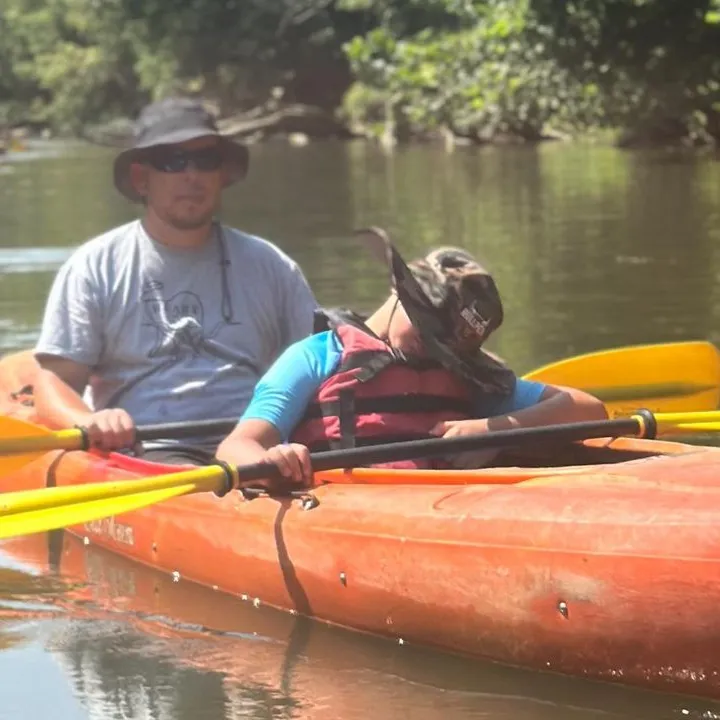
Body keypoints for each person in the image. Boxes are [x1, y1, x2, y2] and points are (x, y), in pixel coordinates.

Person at [33, 97, 318, 464]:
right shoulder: (95, 266)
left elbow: (318, 364)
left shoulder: (272, 266)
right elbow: (54, 384)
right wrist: (89, 422)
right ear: (141, 179)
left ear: (221, 174)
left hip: (256, 448)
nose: (192, 176)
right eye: (172, 161)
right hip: (148, 452)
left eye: (206, 160)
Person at [216, 227, 607, 483]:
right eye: (428, 328)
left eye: (447, 343)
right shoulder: (317, 356)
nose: (433, 349)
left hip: (449, 510)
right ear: (399, 289)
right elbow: (236, 447)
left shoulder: (462, 369)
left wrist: (493, 429)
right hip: (344, 509)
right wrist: (278, 461)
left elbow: (587, 410)